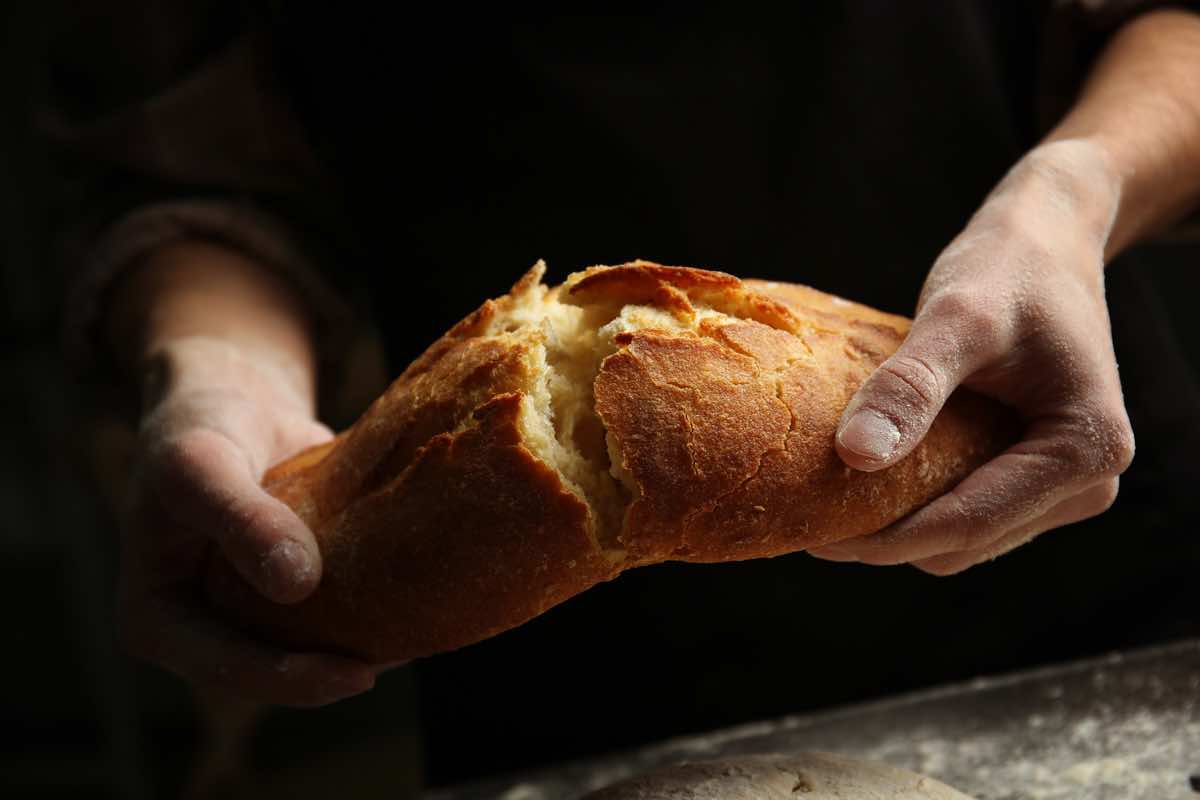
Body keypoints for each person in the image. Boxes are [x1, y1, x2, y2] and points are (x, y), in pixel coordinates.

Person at [44, 0, 1200, 782]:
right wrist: (214, 368)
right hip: (534, 618)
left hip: (1049, 520)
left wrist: (1074, 189)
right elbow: (182, 150)